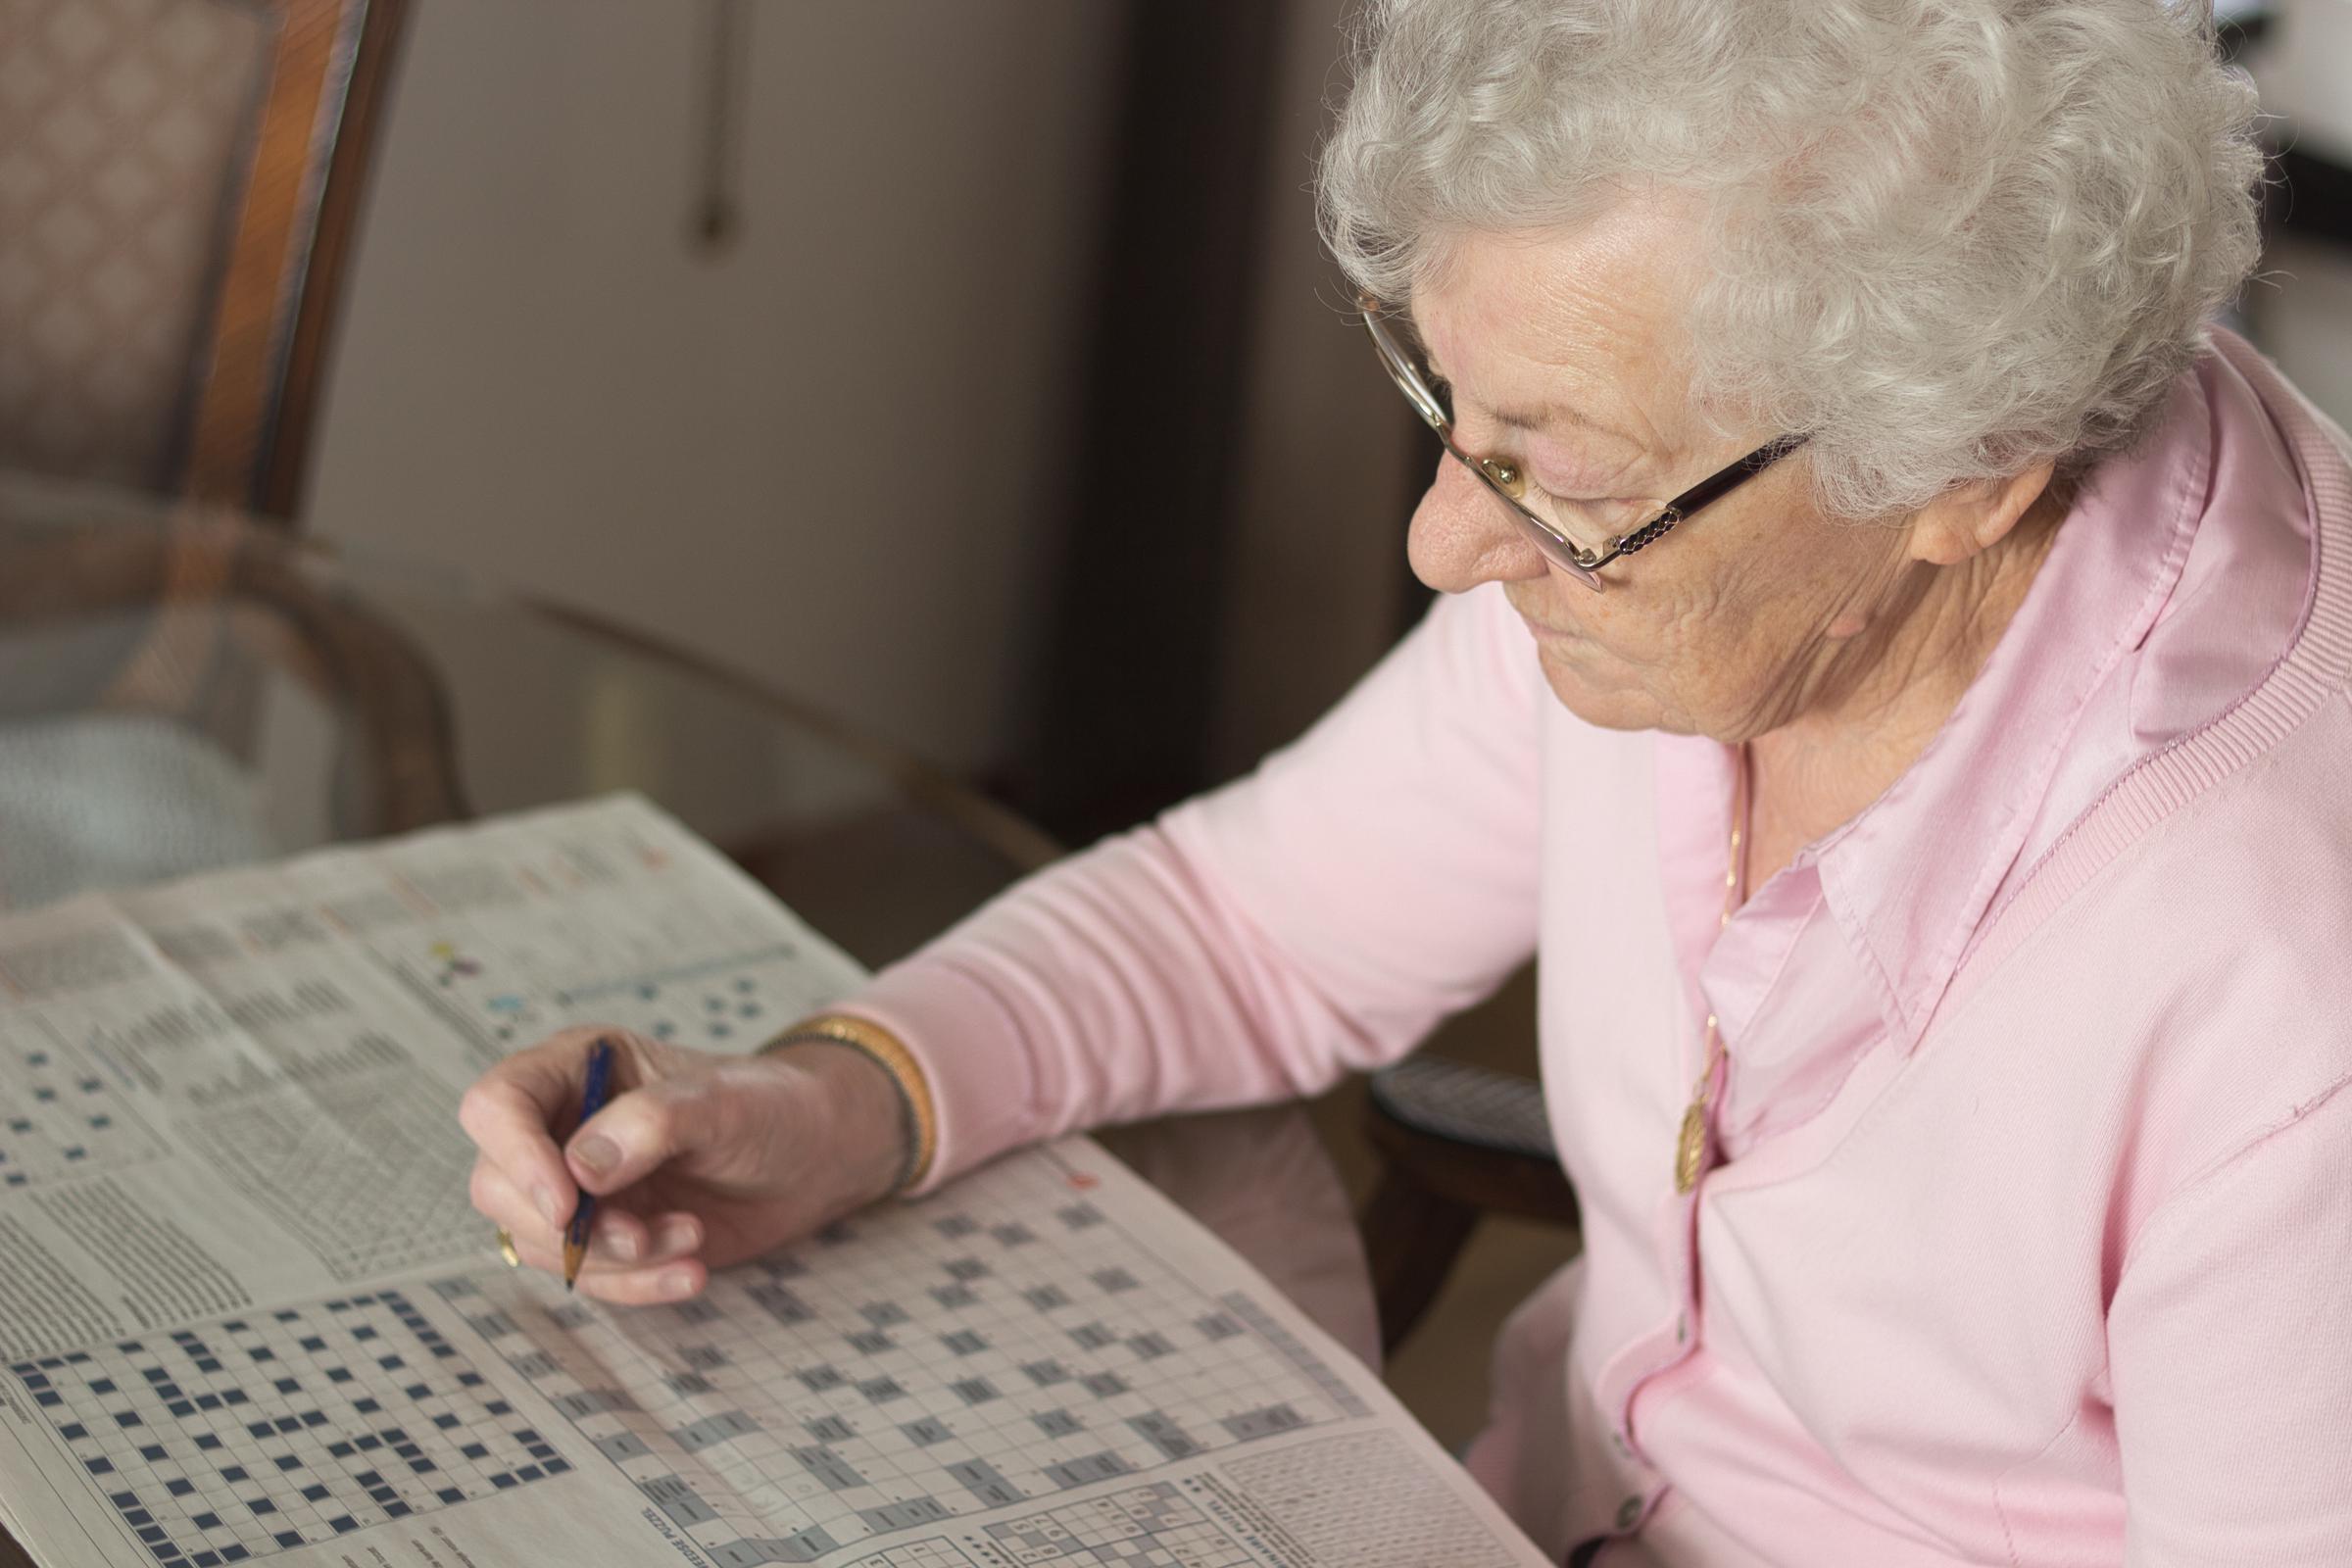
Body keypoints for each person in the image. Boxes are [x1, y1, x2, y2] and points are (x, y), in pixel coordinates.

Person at [460, 1, 2352, 1561]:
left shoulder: (2281, 981)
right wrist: (828, 1100)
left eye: (1556, 469)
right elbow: (1243, 922)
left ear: (1972, 470)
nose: (1452, 542)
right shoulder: (1715, 531)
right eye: (1453, 411)